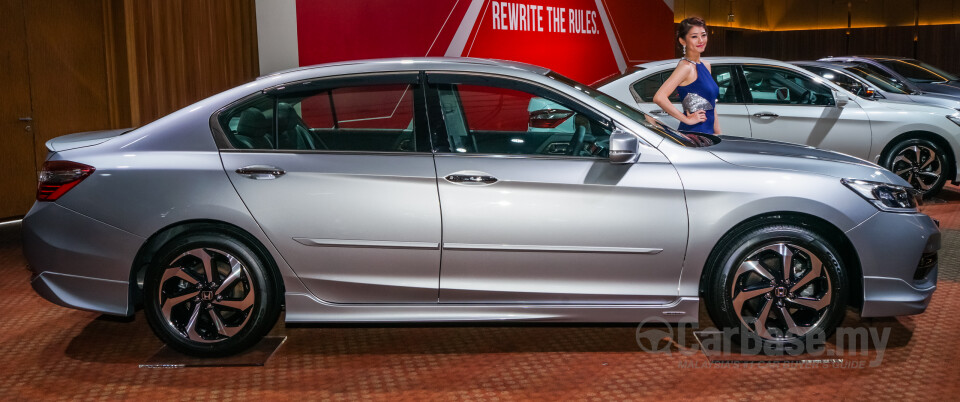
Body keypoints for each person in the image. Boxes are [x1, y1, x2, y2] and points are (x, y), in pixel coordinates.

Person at [653, 16, 721, 135]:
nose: (701, 40)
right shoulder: (685, 67)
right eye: (694, 36)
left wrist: (718, 133)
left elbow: (712, 104)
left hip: (709, 134)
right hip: (693, 135)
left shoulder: (706, 65)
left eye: (703, 35)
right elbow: (659, 97)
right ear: (682, 41)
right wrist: (686, 120)